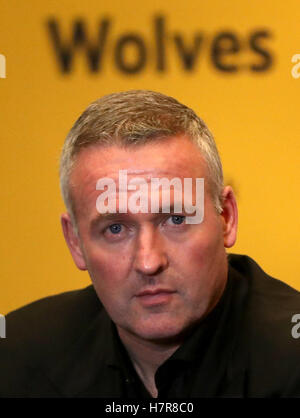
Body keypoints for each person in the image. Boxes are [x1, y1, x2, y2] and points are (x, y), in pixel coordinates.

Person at [1, 90, 300, 398]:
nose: (148, 261)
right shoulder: (18, 361)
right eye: (116, 228)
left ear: (226, 217)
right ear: (75, 242)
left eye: (176, 220)